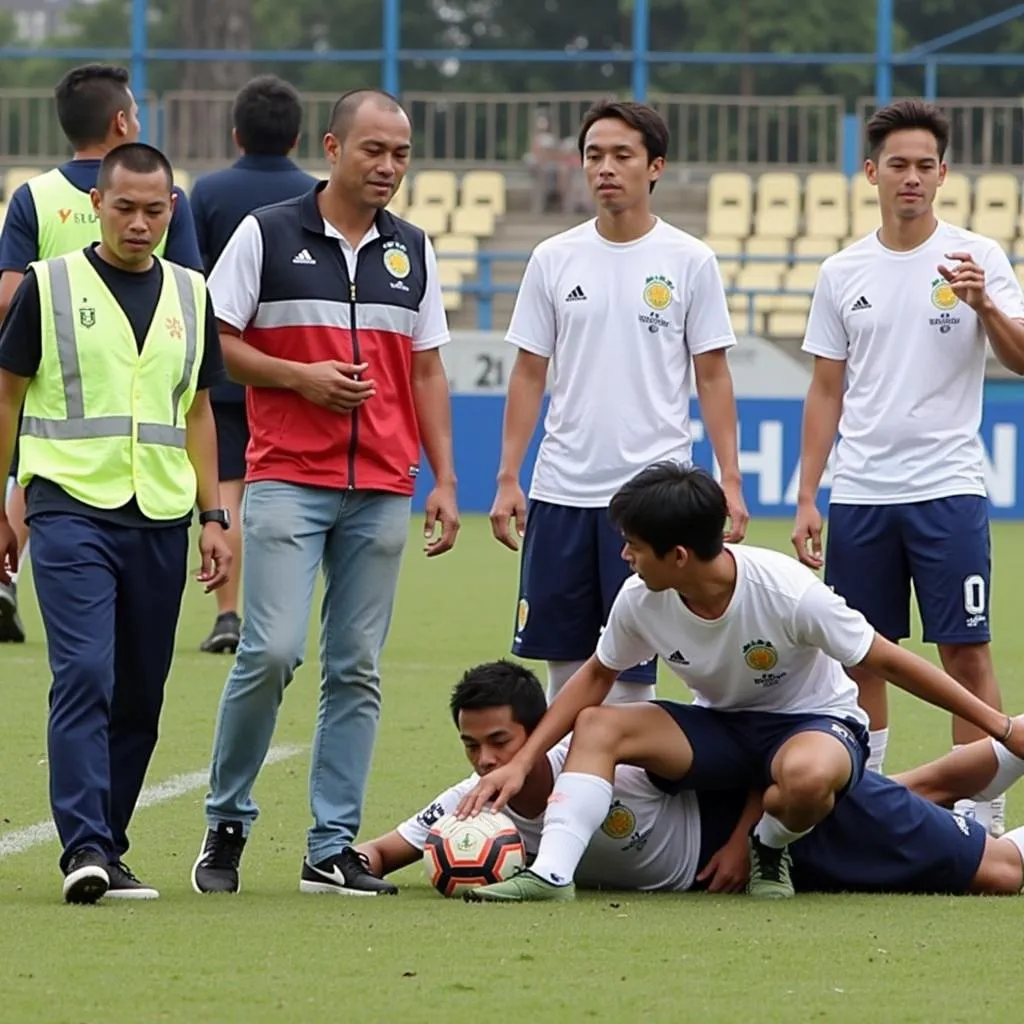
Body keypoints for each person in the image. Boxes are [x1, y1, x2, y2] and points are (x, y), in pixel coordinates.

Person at [457, 462, 1024, 902]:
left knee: (810, 780)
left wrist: (997, 726)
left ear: (677, 555)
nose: (625, 556)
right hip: (724, 731)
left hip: (813, 729)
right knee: (599, 722)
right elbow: (597, 677)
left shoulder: (787, 590)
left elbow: (890, 661)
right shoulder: (643, 598)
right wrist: (523, 760)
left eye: (633, 545)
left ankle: (769, 847)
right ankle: (552, 873)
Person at [190, 88, 460, 898]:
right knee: (270, 651)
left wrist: (446, 478)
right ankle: (227, 820)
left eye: (401, 154)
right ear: (334, 147)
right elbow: (217, 346)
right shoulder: (265, 232)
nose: (388, 167)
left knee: (356, 669)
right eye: (373, 150)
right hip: (284, 479)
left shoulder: (412, 247)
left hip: (382, 486)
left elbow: (427, 367)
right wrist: (299, 378)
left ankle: (330, 849)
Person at [0, 143, 231, 905]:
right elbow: (8, 395)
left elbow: (197, 410)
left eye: (155, 210)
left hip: (161, 514)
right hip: (67, 506)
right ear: (95, 203)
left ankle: (112, 843)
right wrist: (5, 498)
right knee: (86, 674)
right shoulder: (49, 284)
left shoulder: (192, 294)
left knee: (140, 691)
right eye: (124, 207)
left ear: (173, 210)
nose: (139, 223)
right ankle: (84, 848)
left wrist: (213, 514)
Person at [791, 99, 1024, 837]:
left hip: (947, 487)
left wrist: (985, 308)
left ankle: (982, 816)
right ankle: (871, 803)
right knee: (864, 659)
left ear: (944, 174)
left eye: (926, 165)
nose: (912, 178)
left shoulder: (977, 258)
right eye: (898, 165)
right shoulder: (842, 271)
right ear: (871, 173)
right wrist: (807, 496)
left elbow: (1020, 359)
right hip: (860, 494)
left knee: (965, 651)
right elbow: (826, 387)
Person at [357, 661, 1024, 899]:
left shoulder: (604, 758)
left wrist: (742, 843)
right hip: (781, 828)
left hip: (772, 831)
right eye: (471, 745)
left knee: (997, 873)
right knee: (909, 794)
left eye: (499, 742)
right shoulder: (470, 812)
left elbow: (745, 766)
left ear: (541, 735)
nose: (482, 761)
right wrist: (351, 861)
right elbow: (380, 855)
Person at [490, 100, 747, 708]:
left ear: (654, 166)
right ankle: (572, 802)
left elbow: (712, 375)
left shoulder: (689, 260)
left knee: (635, 677)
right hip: (562, 493)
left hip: (652, 499)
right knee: (565, 672)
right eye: (594, 155)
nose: (605, 167)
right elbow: (529, 373)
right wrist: (507, 476)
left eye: (622, 155)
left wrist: (729, 477)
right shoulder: (553, 258)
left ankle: (631, 804)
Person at [0, 62, 203, 644]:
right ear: (121, 121)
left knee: (30, 467)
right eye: (136, 113)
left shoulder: (33, 196)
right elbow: (186, 289)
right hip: (134, 384)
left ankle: (9, 581)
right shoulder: (167, 197)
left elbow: (9, 292)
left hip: (52, 382)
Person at [189, 75, 319, 656]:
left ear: (237, 133)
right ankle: (280, 617)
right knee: (288, 498)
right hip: (295, 376)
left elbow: (190, 279)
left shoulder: (208, 193)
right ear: (298, 138)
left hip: (223, 368)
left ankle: (229, 613)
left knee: (230, 493)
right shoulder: (315, 195)